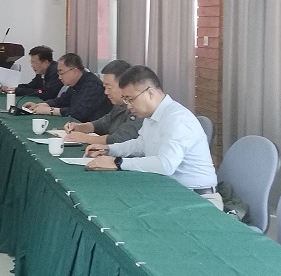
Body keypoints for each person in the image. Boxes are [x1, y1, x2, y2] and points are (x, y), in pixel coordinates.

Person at [86, 66, 222, 209]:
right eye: (126, 100)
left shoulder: (177, 118)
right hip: (170, 193)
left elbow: (165, 165)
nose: (129, 106)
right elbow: (141, 144)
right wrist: (109, 149)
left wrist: (118, 162)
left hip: (197, 198)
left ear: (150, 92)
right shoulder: (151, 116)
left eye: (131, 99)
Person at [63, 59, 143, 145]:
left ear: (125, 85)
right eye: (105, 87)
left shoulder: (139, 109)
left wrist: (86, 138)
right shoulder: (119, 105)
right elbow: (103, 124)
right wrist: (79, 127)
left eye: (109, 88)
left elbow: (120, 139)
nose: (106, 92)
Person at [27, 53, 111, 121]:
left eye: (61, 73)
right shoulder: (76, 83)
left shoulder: (92, 85)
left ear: (75, 72)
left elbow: (79, 113)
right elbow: (62, 100)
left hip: (94, 131)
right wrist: (40, 105)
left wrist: (50, 110)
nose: (59, 77)